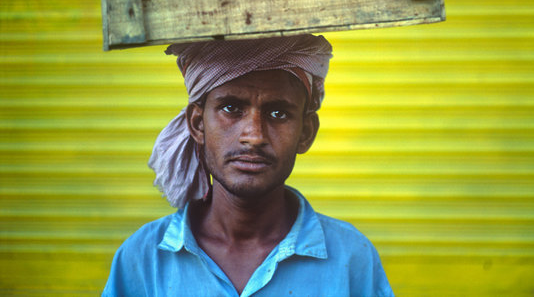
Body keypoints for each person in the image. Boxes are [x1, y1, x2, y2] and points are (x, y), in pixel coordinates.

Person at [103, 34, 394, 297]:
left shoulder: (352, 260)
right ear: (197, 124)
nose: (254, 136)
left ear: (306, 133)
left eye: (278, 112)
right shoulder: (142, 260)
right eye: (231, 108)